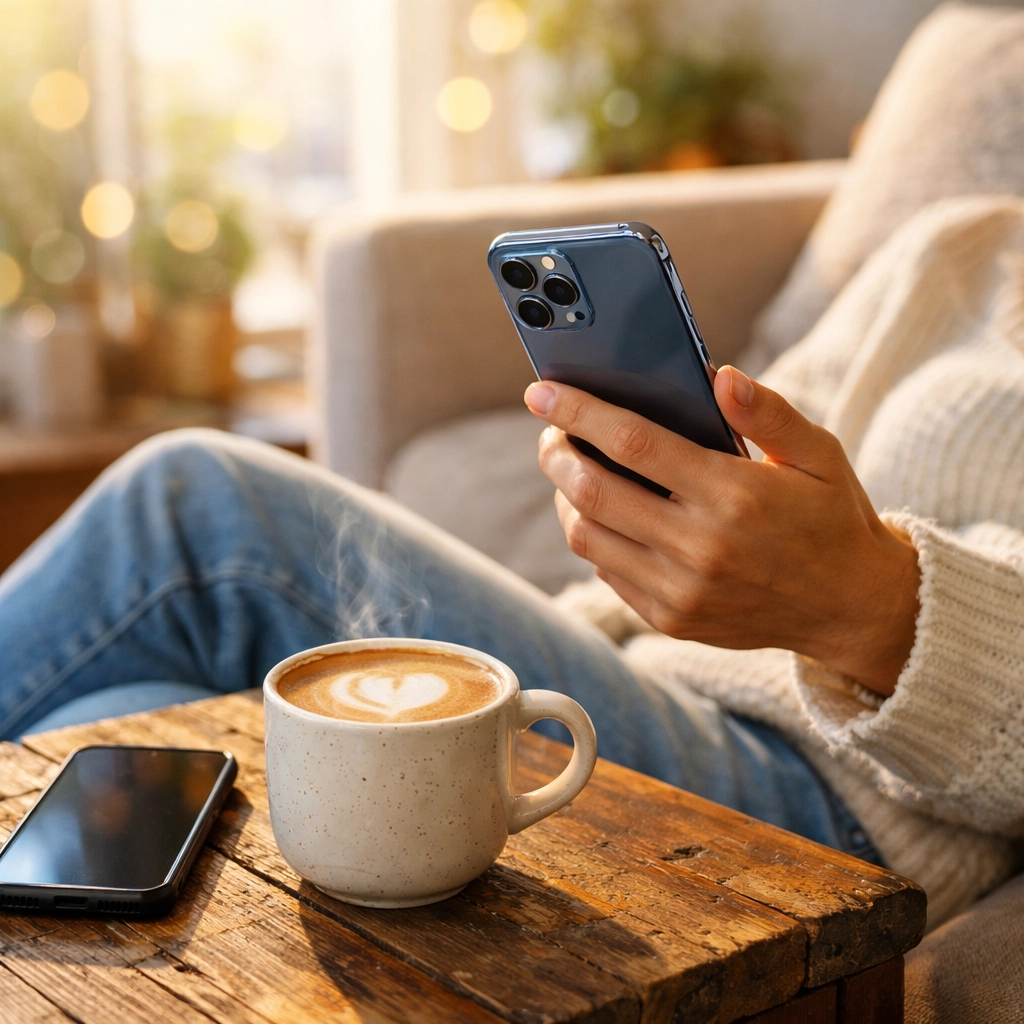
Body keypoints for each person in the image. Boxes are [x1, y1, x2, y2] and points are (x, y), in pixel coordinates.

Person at [2, 196, 1022, 928]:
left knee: (197, 511)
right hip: (655, 672)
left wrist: (872, 603)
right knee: (110, 719)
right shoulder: (958, 246)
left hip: (838, 793)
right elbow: (757, 436)